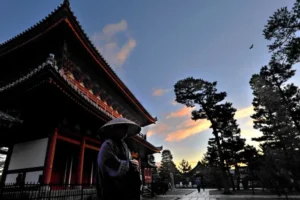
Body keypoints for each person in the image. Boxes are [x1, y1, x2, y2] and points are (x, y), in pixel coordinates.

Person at [96, 118, 142, 200]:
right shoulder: (107, 144)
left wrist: (134, 164)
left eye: (126, 130)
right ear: (116, 129)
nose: (126, 132)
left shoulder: (125, 146)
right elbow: (108, 162)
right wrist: (128, 164)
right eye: (124, 129)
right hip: (112, 187)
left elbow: (129, 160)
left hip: (127, 187)